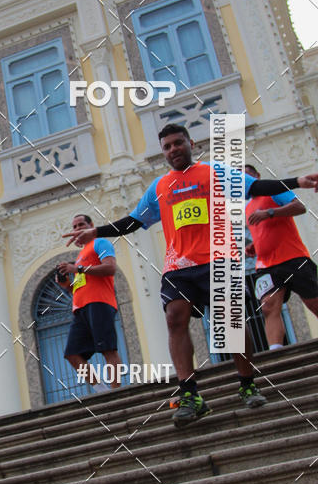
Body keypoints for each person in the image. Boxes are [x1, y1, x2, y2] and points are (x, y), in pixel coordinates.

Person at [63, 124, 318, 427]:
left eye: (177, 143)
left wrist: (299, 181)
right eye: (167, 146)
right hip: (179, 266)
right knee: (174, 317)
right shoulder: (159, 186)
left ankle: (247, 381)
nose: (173, 149)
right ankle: (190, 394)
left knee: (229, 323)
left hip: (218, 258)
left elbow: (255, 187)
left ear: (190, 143)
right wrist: (97, 231)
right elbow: (133, 221)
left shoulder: (214, 173)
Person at [245, 163, 318, 349]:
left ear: (257, 176)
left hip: (293, 257)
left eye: (248, 177)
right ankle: (275, 352)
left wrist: (270, 212)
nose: (245, 182)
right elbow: (264, 231)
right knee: (268, 306)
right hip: (265, 264)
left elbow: (300, 207)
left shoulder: (274, 191)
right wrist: (254, 245)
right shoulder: (246, 207)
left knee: (313, 302)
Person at [56, 213, 123, 391]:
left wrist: (76, 268)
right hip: (80, 309)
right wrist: (66, 285)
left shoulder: (100, 243)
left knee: (108, 349)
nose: (77, 229)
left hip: (100, 302)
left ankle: (117, 392)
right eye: (75, 227)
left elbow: (110, 268)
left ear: (91, 225)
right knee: (72, 354)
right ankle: (102, 390)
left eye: (81, 225)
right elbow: (81, 285)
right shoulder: (80, 256)